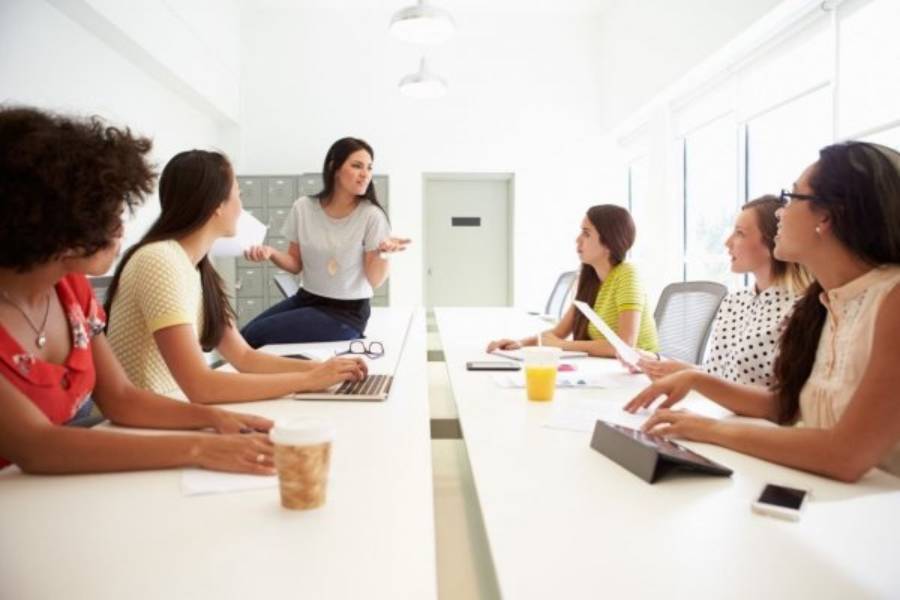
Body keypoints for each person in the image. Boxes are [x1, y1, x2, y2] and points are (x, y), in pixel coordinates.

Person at [0, 106, 274, 475]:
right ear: (45, 220)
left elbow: (121, 398)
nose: (120, 227)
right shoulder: (159, 260)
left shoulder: (71, 290)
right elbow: (37, 446)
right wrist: (200, 446)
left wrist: (214, 418)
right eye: (105, 212)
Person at [625, 141, 900, 482]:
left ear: (827, 216)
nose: (780, 212)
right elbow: (786, 404)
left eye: (791, 197)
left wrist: (710, 429)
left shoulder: (892, 298)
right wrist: (695, 378)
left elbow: (847, 453)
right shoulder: (826, 303)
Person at [105, 149, 367, 404]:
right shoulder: (160, 260)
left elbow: (244, 357)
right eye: (237, 195)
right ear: (217, 205)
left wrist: (324, 370)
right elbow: (201, 386)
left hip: (173, 413)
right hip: (146, 424)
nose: (242, 207)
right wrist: (308, 381)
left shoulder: (197, 268)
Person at [240, 137, 410, 347]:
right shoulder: (303, 207)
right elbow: (295, 264)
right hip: (307, 299)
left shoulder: (372, 215)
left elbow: (375, 281)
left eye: (369, 168)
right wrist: (271, 252)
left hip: (346, 313)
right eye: (357, 166)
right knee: (243, 335)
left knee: (254, 336)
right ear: (334, 168)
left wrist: (382, 253)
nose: (365, 174)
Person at [638, 195, 809, 386]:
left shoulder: (800, 310)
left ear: (774, 241)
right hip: (714, 409)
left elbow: (783, 400)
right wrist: (662, 364)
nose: (727, 242)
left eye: (740, 233)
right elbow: (719, 375)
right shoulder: (734, 302)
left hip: (747, 416)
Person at [487, 204, 659, 357]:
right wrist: (520, 343)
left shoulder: (627, 274)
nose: (578, 239)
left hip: (644, 374)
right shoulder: (589, 279)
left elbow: (625, 346)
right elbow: (558, 333)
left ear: (608, 243)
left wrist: (563, 346)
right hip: (613, 371)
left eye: (586, 233)